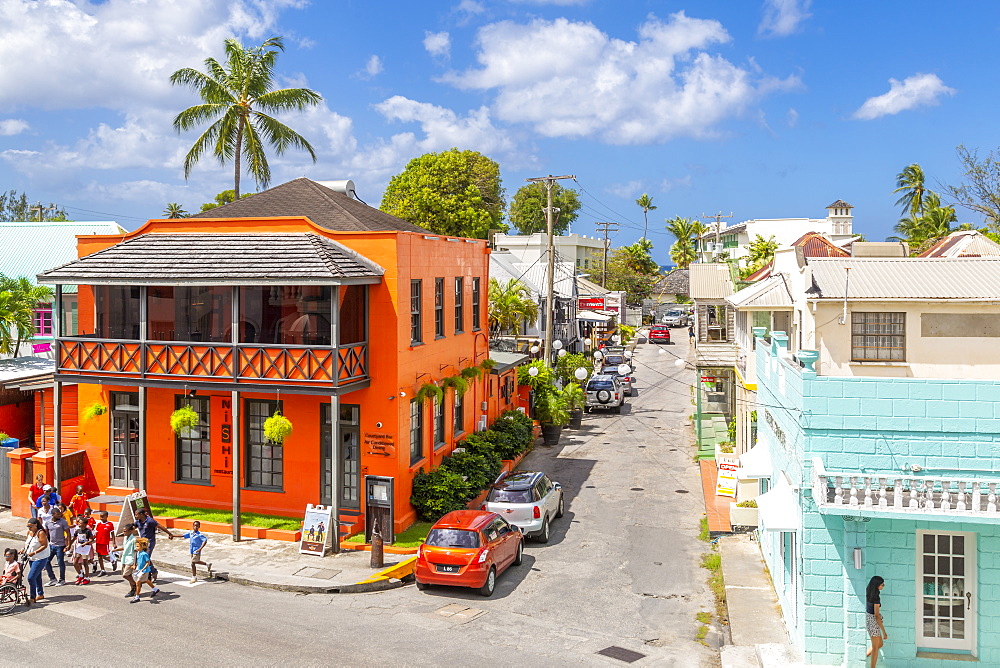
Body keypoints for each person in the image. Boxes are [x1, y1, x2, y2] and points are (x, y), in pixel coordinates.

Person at [134, 508, 176, 583]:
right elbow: (133, 527)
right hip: (142, 542)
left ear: (141, 514)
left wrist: (170, 534)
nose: (135, 516)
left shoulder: (150, 521)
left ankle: (151, 573)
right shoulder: (137, 521)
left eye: (136, 514)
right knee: (144, 557)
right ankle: (152, 571)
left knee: (146, 557)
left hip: (150, 542)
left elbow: (160, 526)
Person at [23, 517, 51, 605]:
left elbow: (44, 545)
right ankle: (40, 594)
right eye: (28, 526)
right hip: (31, 558)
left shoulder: (41, 533)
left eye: (31, 526)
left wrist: (34, 552)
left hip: (40, 558)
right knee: (37, 576)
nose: (29, 528)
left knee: (31, 577)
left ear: (35, 525)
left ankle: (32, 597)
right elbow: (28, 543)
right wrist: (23, 549)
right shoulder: (29, 532)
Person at [43, 508, 71, 587]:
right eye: (58, 514)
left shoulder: (63, 522)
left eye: (60, 514)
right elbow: (46, 534)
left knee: (60, 563)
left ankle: (62, 579)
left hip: (60, 546)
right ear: (53, 515)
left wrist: (68, 545)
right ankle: (52, 579)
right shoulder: (48, 522)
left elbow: (68, 533)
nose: (60, 515)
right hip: (51, 545)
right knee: (46, 561)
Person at [866, 575, 888, 667]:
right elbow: (877, 616)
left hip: (868, 618)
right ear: (877, 585)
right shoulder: (876, 599)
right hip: (873, 621)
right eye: (882, 585)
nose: (883, 586)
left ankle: (863, 656)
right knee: (875, 647)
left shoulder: (868, 593)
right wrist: (884, 632)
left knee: (880, 644)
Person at [131, 537, 160, 603]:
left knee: (138, 582)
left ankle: (137, 597)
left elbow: (148, 562)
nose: (136, 547)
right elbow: (138, 560)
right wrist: (135, 565)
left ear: (142, 546)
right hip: (140, 570)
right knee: (146, 580)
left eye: (138, 546)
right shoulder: (138, 553)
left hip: (144, 571)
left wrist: (143, 569)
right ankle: (155, 589)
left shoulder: (144, 554)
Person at [70, 516, 95, 585]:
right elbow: (74, 538)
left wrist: (86, 543)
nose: (79, 524)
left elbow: (91, 539)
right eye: (79, 523)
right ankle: (80, 575)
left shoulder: (88, 531)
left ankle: (86, 577)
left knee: (85, 563)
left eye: (80, 523)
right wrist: (68, 546)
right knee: (75, 563)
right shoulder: (78, 530)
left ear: (85, 524)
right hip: (79, 547)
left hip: (85, 548)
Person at [117, 523, 138, 597]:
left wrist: (135, 563)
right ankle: (133, 589)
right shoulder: (125, 538)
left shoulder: (133, 539)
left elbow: (135, 551)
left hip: (130, 559)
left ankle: (136, 585)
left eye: (125, 531)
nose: (124, 532)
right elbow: (124, 547)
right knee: (129, 575)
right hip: (124, 558)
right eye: (123, 531)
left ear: (130, 531)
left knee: (125, 575)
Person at [93, 511, 116, 576]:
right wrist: (92, 539)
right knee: (99, 556)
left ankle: (112, 560)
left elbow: (113, 534)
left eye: (103, 516)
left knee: (104, 555)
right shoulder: (99, 524)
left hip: (105, 542)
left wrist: (114, 543)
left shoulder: (110, 524)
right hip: (98, 542)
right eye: (100, 516)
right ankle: (102, 570)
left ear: (106, 516)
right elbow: (96, 533)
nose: (101, 518)